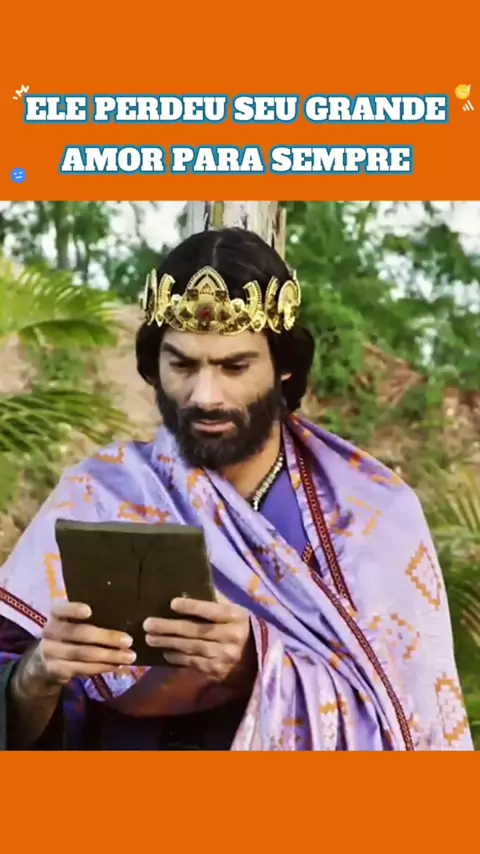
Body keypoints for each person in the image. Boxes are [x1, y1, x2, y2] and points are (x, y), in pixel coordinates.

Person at [0, 227, 472, 751]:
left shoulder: (371, 517)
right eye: (182, 364)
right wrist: (36, 676)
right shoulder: (98, 495)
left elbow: (409, 724)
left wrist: (256, 661)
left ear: (284, 367)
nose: (205, 395)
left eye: (234, 366)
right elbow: (17, 689)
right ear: (154, 367)